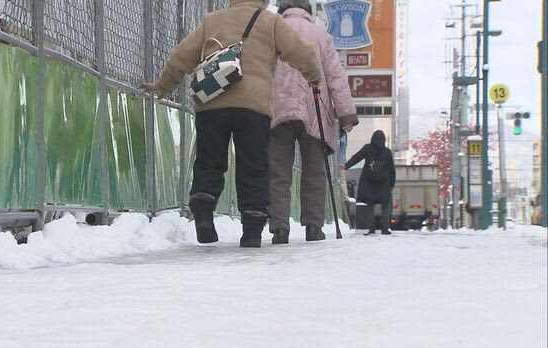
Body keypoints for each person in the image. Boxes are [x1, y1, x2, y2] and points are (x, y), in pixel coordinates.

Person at [141, 0, 322, 248]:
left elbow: (181, 56)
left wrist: (163, 86)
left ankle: (203, 211)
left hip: (212, 102)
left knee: (209, 161)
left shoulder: (212, 21)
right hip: (253, 108)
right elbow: (302, 52)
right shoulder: (271, 22)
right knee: (254, 166)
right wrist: (314, 77)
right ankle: (252, 230)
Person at [268, 0, 358, 244]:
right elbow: (335, 77)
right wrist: (346, 113)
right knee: (316, 172)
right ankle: (314, 226)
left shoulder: (273, 29)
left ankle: (279, 227)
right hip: (315, 107)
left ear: (282, 9)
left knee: (278, 172)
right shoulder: (321, 35)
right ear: (307, 11)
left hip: (279, 107)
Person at [341, 130, 395, 235]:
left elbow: (357, 157)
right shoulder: (387, 152)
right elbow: (391, 169)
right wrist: (392, 184)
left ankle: (371, 229)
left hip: (369, 184)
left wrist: (346, 166)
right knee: (385, 205)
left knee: (370, 206)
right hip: (383, 184)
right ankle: (385, 229)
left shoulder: (368, 149)